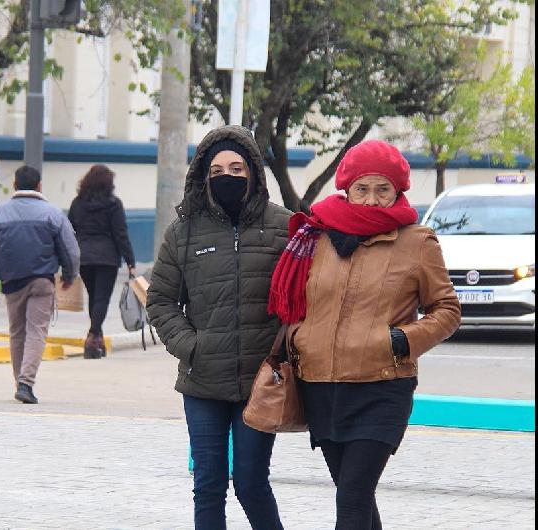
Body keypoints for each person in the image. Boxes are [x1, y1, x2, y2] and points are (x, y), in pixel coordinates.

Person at [267, 140, 461, 529]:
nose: (371, 200)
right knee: (353, 495)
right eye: (362, 189)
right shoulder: (317, 237)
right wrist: (301, 339)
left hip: (380, 387)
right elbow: (298, 301)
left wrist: (402, 340)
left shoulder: (417, 242)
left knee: (352, 497)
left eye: (382, 189)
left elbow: (447, 311)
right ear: (347, 189)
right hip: (321, 386)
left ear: (398, 191)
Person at [146, 125, 292, 529]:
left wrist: (282, 352)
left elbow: (303, 296)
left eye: (237, 167)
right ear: (203, 176)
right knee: (208, 484)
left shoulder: (283, 226)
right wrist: (191, 345)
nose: (228, 176)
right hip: (202, 382)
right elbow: (160, 300)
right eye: (217, 170)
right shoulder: (184, 231)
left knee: (250, 481)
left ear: (254, 172)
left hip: (259, 381)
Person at [0, 165, 80, 404]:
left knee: (17, 333)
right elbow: (71, 250)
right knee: (36, 331)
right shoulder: (53, 214)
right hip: (42, 281)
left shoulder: (0, 214)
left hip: (12, 282)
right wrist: (69, 276)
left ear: (14, 185)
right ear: (39, 186)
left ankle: (20, 382)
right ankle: (26, 383)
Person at [68, 164, 137, 359]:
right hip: (107, 258)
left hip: (84, 257)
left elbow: (70, 230)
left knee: (94, 297)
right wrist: (130, 261)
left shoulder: (77, 203)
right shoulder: (113, 204)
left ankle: (97, 340)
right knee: (101, 299)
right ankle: (92, 337)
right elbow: (121, 234)